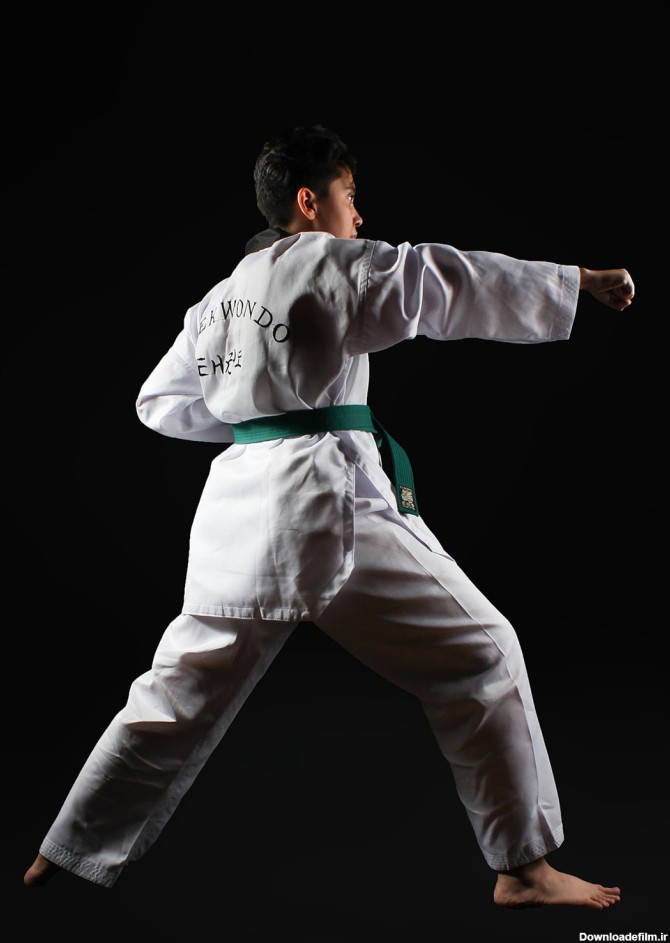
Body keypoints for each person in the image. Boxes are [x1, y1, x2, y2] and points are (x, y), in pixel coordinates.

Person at [24, 125, 634, 908]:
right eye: (350, 195)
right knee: (485, 656)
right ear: (309, 202)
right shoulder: (332, 263)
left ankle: (63, 849)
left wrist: (259, 418)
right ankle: (523, 868)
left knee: (173, 693)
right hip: (327, 509)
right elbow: (441, 280)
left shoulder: (217, 300)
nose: (359, 213)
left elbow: (160, 402)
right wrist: (573, 281)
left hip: (237, 520)